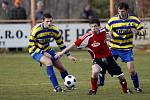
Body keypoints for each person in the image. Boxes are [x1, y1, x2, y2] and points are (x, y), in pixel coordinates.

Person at [55, 18, 132, 95]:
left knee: (121, 77)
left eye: (95, 26)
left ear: (99, 26)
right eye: (91, 27)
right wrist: (62, 53)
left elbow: (113, 35)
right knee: (95, 71)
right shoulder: (88, 37)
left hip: (109, 58)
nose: (93, 28)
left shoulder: (104, 32)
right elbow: (74, 44)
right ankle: (93, 91)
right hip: (97, 59)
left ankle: (125, 90)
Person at [28, 13, 76, 92]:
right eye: (47, 21)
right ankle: (56, 87)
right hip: (35, 51)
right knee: (49, 62)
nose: (49, 23)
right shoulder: (36, 30)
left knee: (61, 67)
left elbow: (61, 44)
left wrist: (68, 55)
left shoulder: (54, 29)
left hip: (47, 49)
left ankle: (70, 85)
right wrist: (43, 52)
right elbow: (31, 46)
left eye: (51, 21)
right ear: (42, 21)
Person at [104, 2, 145, 92]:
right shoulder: (112, 20)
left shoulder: (133, 19)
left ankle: (137, 88)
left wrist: (137, 31)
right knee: (106, 66)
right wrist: (108, 35)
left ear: (127, 11)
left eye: (123, 11)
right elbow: (105, 31)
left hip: (127, 49)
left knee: (131, 70)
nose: (121, 13)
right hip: (113, 48)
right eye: (119, 11)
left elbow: (143, 31)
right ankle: (100, 82)